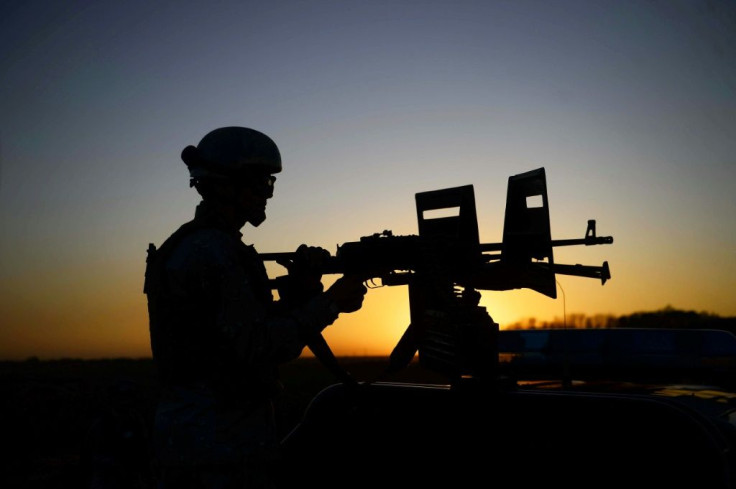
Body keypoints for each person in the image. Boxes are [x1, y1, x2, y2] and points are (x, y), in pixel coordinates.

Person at [143, 126, 367, 488]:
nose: (268, 195)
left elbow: (233, 331)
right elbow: (257, 347)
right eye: (261, 184)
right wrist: (329, 304)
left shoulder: (202, 245)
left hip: (204, 437)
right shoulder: (214, 253)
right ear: (226, 185)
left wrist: (303, 294)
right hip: (217, 445)